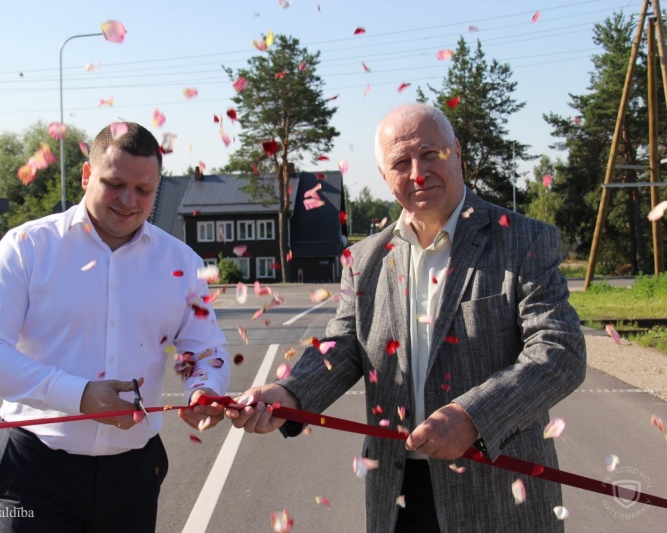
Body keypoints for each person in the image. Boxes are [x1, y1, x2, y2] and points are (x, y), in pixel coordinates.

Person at [226, 103, 586, 533]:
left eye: (431, 154)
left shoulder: (523, 239)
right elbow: (344, 347)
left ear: (457, 154)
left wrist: (472, 416)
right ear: (383, 175)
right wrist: (288, 393)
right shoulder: (364, 259)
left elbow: (559, 352)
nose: (418, 173)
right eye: (400, 162)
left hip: (498, 493)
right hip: (397, 497)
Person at [0, 122, 230, 532]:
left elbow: (206, 348)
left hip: (133, 475)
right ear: (87, 175)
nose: (128, 200)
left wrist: (204, 388)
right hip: (37, 470)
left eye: (143, 189)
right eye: (114, 184)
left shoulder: (182, 262)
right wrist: (80, 395)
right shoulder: (27, 247)